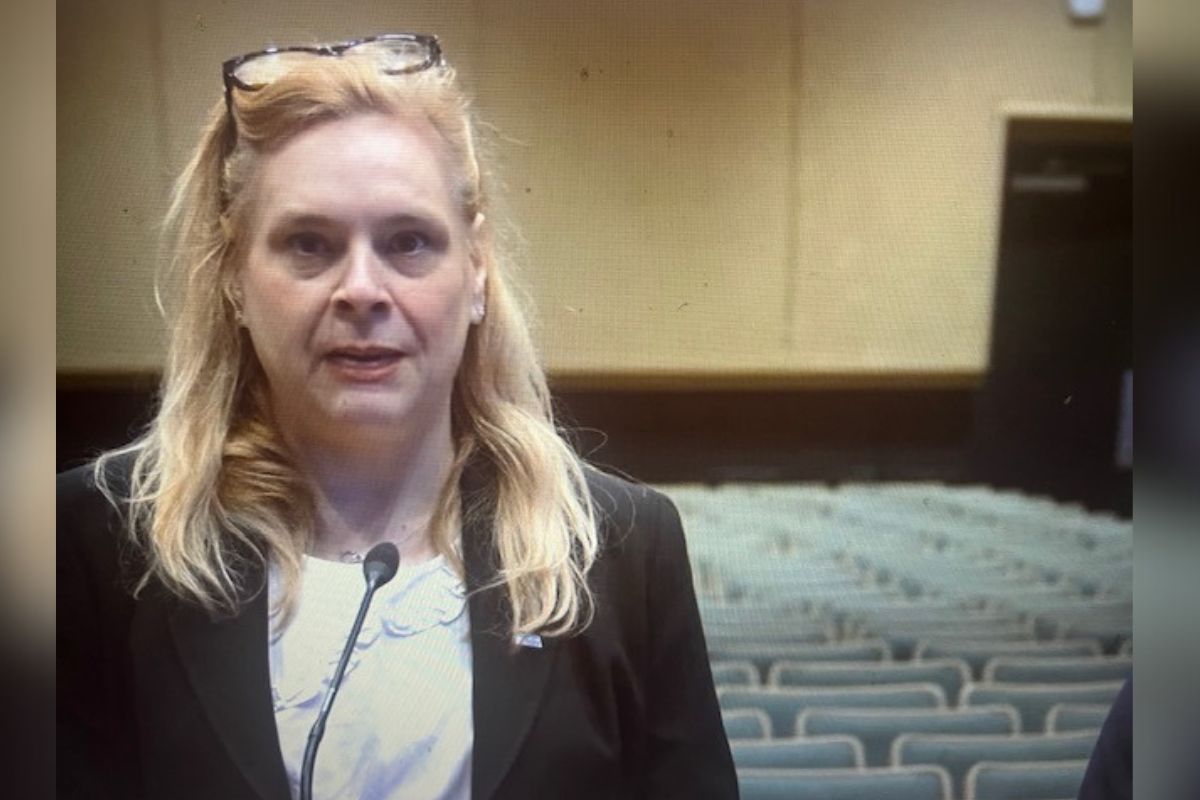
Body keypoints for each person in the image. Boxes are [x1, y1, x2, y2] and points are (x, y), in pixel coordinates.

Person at [57, 33, 737, 800]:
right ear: (234, 281)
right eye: (309, 245)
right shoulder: (88, 543)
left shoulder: (621, 546)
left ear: (475, 271)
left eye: (408, 242)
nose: (362, 290)